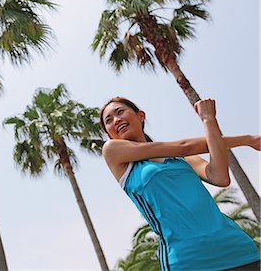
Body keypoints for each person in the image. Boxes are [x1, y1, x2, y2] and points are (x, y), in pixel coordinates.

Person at [100, 97, 260, 271]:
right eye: (108, 120)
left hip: (237, 248)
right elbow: (186, 146)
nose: (116, 120)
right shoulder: (114, 153)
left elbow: (220, 177)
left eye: (120, 112)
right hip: (187, 261)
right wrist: (247, 139)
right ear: (109, 134)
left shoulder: (182, 158)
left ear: (141, 116)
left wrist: (209, 120)